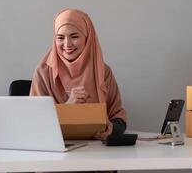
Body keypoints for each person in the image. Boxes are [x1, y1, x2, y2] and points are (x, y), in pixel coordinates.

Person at [30, 9, 127, 140]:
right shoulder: (43, 72)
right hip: (55, 150)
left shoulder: (103, 71)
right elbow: (35, 122)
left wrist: (112, 128)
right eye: (60, 37)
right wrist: (68, 108)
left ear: (87, 38)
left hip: (98, 151)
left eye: (74, 36)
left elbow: (118, 117)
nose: (67, 44)